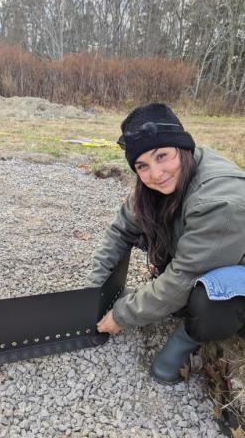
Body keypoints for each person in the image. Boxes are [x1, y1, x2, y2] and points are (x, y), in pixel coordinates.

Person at [88, 102, 245, 384]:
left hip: (237, 270)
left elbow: (185, 276)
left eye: (162, 156)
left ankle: (190, 336)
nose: (156, 174)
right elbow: (120, 231)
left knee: (210, 299)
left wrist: (122, 315)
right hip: (211, 258)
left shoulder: (220, 200)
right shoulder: (158, 185)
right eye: (142, 166)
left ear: (181, 148)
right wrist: (91, 291)